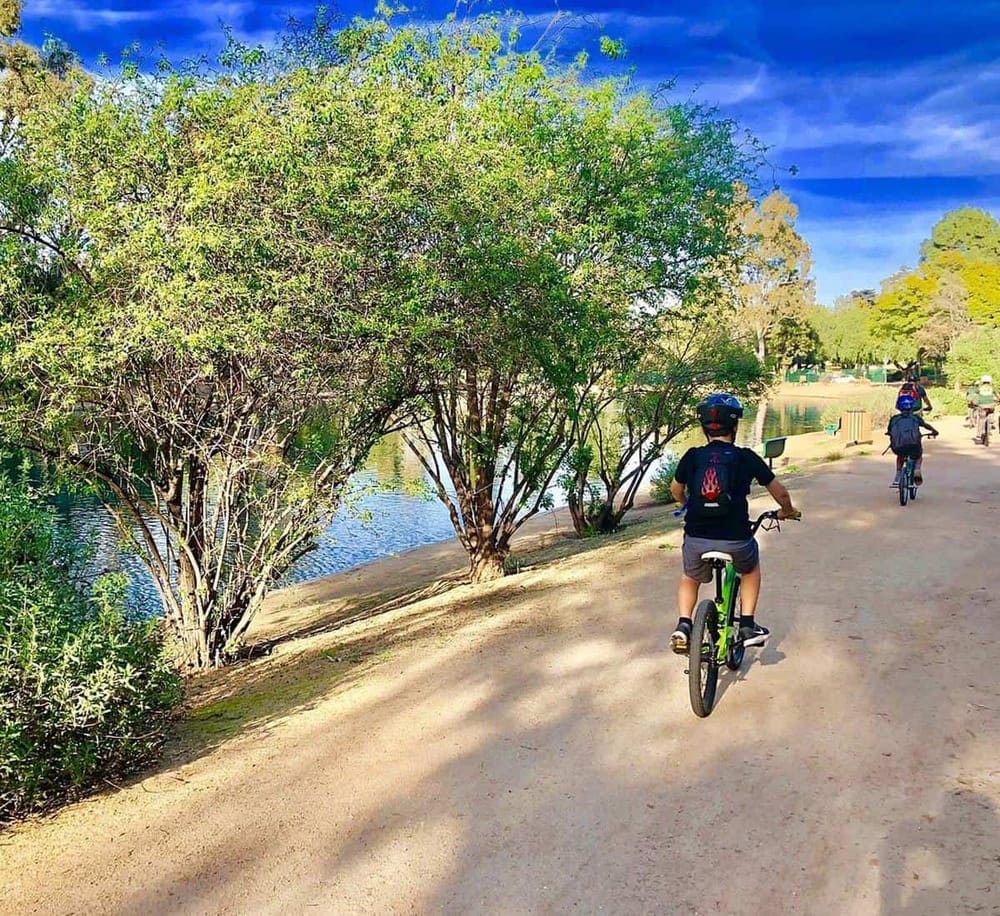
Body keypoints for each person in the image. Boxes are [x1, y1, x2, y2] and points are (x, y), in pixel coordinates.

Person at [669, 394, 799, 654]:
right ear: (736, 427)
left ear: (704, 428)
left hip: (696, 537)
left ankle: (684, 624)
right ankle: (748, 625)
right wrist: (787, 511)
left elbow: (676, 489)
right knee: (750, 568)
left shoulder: (693, 456)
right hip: (736, 538)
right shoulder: (746, 457)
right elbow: (780, 493)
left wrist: (684, 504)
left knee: (690, 576)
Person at [887, 393, 938, 486]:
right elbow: (926, 425)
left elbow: (889, 430)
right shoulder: (915, 418)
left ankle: (898, 476)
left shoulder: (894, 419)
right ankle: (917, 469)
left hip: (898, 446)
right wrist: (934, 431)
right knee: (918, 455)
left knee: (900, 456)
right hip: (914, 445)